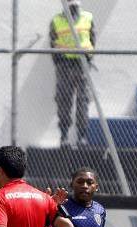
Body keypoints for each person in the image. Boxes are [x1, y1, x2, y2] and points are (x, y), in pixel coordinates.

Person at [50, 0, 95, 146]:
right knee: (64, 101)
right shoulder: (57, 20)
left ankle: (82, 136)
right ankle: (64, 136)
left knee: (82, 101)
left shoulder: (87, 17)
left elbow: (92, 39)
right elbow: (53, 42)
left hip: (82, 65)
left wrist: (88, 57)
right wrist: (59, 61)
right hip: (65, 65)